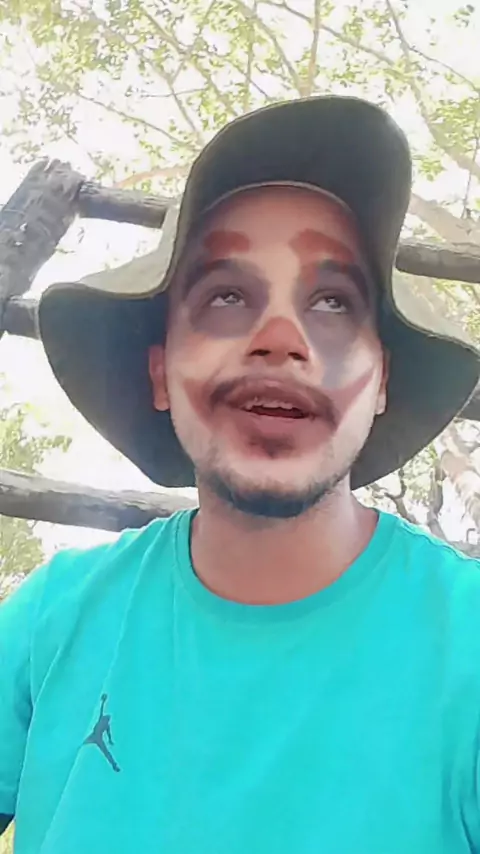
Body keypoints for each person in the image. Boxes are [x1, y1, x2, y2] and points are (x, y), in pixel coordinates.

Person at [1, 95, 479, 854]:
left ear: (382, 379)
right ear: (160, 371)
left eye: (333, 302)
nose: (280, 339)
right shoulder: (51, 622)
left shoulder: (466, 646)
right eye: (227, 296)